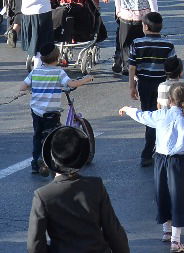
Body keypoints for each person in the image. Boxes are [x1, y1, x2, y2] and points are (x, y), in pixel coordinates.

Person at [119, 82, 184, 252]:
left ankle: (166, 231)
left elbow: (142, 116)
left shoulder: (160, 115)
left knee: (162, 194)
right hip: (177, 162)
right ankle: (176, 240)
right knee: (179, 198)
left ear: (170, 99)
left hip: (159, 160)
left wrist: (127, 109)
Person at [27, 126, 129, 253]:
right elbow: (114, 232)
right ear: (81, 159)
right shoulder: (96, 186)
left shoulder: (43, 195)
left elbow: (34, 245)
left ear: (51, 158)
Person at [22, 43, 93, 174]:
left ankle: (35, 163)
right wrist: (86, 79)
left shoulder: (35, 71)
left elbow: (23, 86)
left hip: (36, 111)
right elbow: (71, 84)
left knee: (37, 135)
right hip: (51, 111)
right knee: (53, 136)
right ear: (58, 57)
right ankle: (50, 162)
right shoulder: (59, 72)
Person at [129, 10, 176, 166]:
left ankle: (148, 152)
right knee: (162, 114)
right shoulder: (168, 45)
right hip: (163, 85)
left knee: (149, 116)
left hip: (144, 84)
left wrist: (132, 86)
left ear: (145, 27)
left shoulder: (137, 43)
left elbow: (132, 67)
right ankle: (157, 147)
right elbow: (172, 67)